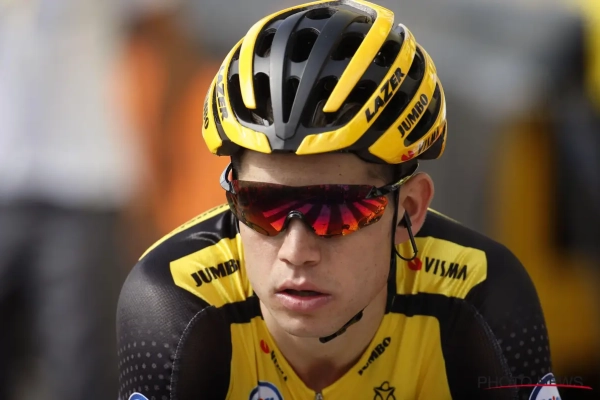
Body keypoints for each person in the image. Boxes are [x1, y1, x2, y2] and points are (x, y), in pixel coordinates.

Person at [117, 1, 558, 399]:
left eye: (335, 209)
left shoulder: (480, 294)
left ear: (409, 209)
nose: (296, 252)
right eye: (260, 204)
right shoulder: (175, 301)